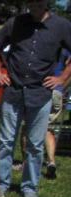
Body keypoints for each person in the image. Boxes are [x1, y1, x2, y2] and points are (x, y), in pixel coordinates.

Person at [0, 1, 71, 197]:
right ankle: (2, 184)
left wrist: (61, 78)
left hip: (40, 93)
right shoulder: (16, 23)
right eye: (31, 4)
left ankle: (30, 188)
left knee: (35, 144)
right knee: (6, 141)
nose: (32, 7)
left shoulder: (61, 26)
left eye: (37, 4)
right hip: (14, 90)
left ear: (45, 5)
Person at [44, 49, 70, 179]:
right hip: (57, 91)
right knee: (48, 129)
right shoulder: (65, 45)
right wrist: (62, 88)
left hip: (40, 89)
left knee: (28, 126)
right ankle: (51, 161)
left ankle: (27, 162)